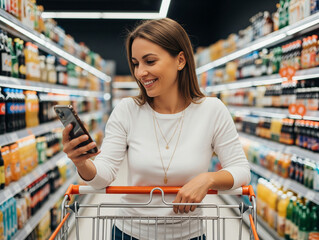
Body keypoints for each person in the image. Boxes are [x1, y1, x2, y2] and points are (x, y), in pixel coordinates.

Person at [62, 18, 251, 240]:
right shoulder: (127, 110)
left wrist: (208, 179)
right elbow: (103, 176)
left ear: (180, 60)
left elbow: (241, 169)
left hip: (188, 234)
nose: (140, 72)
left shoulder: (212, 110)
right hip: (130, 232)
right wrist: (82, 163)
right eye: (135, 63)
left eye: (149, 61)